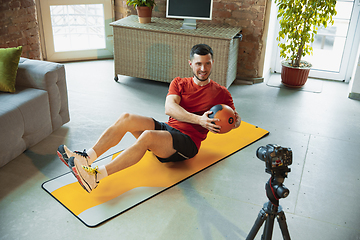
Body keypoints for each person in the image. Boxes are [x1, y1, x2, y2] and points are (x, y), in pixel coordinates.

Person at [57, 44, 241, 193]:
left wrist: (235, 122)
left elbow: (234, 121)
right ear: (190, 64)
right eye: (199, 64)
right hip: (169, 131)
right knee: (126, 118)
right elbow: (170, 108)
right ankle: (86, 158)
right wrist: (199, 119)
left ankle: (95, 176)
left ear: (212, 62)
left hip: (188, 142)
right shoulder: (179, 83)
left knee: (148, 136)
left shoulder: (221, 93)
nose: (203, 68)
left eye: (207, 63)